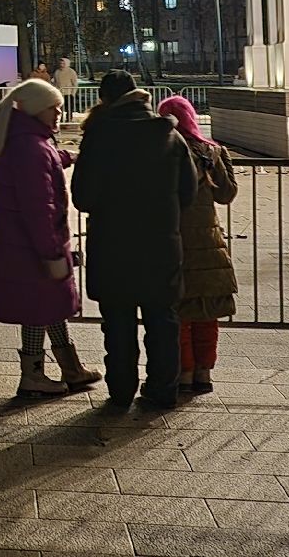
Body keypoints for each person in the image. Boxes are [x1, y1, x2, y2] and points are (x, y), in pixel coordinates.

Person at [72, 71, 194, 409]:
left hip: (113, 246)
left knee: (118, 322)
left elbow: (82, 196)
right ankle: (162, 391)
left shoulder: (98, 136)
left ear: (105, 99)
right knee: (162, 320)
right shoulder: (169, 135)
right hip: (160, 244)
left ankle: (121, 390)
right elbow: (189, 191)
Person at [0, 78, 99, 398]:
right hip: (32, 245)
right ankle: (32, 376)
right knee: (38, 307)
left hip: (26, 242)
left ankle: (71, 369)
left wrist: (67, 157)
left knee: (50, 304)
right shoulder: (30, 148)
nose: (61, 113)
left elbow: (45, 160)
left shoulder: (29, 141)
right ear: (37, 110)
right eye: (55, 107)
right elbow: (39, 205)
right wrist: (51, 251)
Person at [157, 94, 238, 396]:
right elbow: (226, 194)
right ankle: (204, 372)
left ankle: (186, 372)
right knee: (207, 311)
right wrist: (222, 157)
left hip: (174, 240)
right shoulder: (212, 151)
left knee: (181, 313)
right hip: (208, 241)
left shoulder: (162, 151)